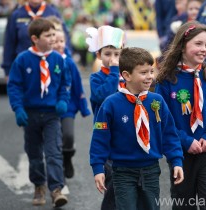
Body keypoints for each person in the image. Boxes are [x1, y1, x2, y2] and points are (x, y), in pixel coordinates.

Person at [89, 47, 184, 210]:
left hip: (151, 170)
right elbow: (100, 139)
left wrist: (176, 160)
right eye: (143, 73)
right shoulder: (110, 104)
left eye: (151, 71)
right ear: (126, 75)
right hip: (123, 172)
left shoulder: (158, 101)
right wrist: (98, 168)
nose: (150, 77)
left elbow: (169, 134)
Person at [155, 21, 206, 209]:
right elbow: (162, 120)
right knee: (183, 204)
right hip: (179, 153)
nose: (204, 49)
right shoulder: (166, 82)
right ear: (182, 46)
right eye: (198, 44)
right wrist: (185, 141)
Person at [7, 18, 70, 207]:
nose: (53, 38)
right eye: (48, 35)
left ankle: (56, 189)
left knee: (53, 152)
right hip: (31, 114)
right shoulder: (23, 60)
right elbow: (14, 86)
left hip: (52, 114)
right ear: (35, 38)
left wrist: (62, 101)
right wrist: (18, 109)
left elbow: (65, 84)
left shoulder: (58, 59)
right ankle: (38, 186)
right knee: (34, 155)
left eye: (54, 34)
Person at [86, 25, 125, 210]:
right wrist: (115, 73)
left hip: (127, 137)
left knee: (127, 184)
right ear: (99, 55)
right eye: (108, 54)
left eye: (117, 54)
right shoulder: (96, 78)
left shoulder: (127, 77)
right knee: (114, 184)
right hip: (106, 137)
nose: (113, 59)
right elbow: (104, 97)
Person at [51, 20, 91, 180]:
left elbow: (77, 87)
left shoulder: (69, 62)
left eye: (62, 41)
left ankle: (67, 157)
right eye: (55, 42)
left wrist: (83, 107)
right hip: (50, 108)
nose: (59, 45)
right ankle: (56, 172)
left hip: (68, 107)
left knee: (68, 136)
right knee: (53, 140)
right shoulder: (46, 61)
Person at [2, 0, 71, 80]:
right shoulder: (17, 14)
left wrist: (67, 62)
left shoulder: (53, 12)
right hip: (24, 68)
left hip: (50, 67)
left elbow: (65, 40)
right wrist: (7, 71)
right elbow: (9, 44)